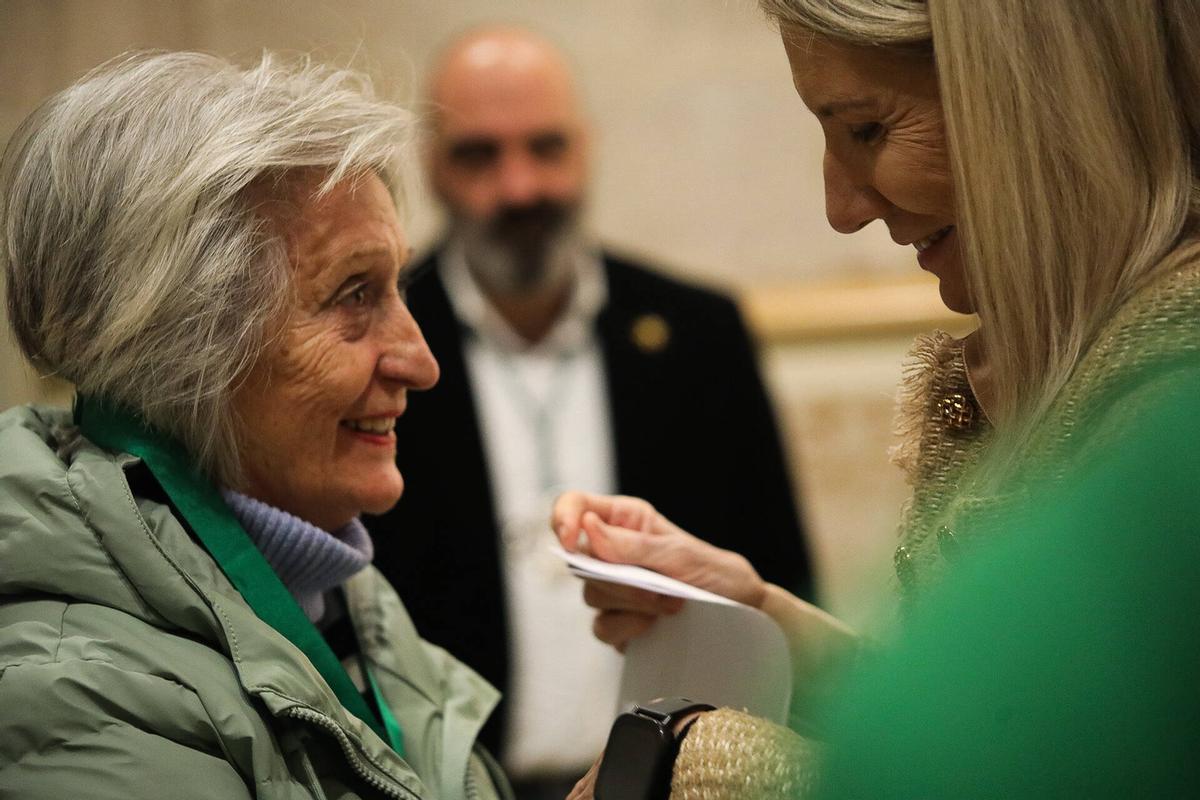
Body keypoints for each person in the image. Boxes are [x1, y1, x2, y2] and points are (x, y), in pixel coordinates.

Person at [556, 0, 1200, 796]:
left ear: (1040, 99)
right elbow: (988, 720)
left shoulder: (1174, 417)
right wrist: (759, 612)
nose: (841, 207)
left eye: (867, 130)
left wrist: (696, 764)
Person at [0, 52, 512, 800]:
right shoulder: (73, 695)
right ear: (185, 346)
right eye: (353, 295)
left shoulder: (345, 596)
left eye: (397, 285)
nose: (421, 360)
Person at [363, 26, 813, 796]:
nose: (520, 188)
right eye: (481, 154)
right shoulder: (380, 342)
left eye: (546, 148)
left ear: (587, 148)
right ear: (433, 165)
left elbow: (783, 577)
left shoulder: (700, 334)